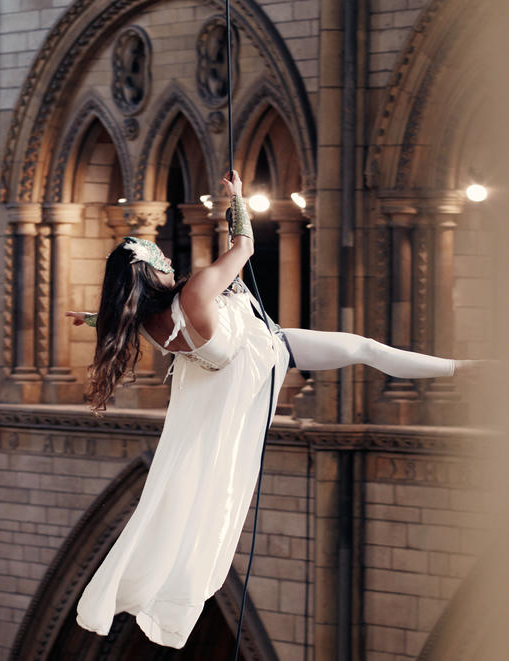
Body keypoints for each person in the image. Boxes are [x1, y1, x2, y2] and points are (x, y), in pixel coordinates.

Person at [66, 170, 477, 648]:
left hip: (261, 355)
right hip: (272, 352)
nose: (169, 266)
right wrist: (237, 201)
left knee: (365, 350)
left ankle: (460, 369)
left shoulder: (151, 322)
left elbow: (122, 317)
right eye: (161, 262)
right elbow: (243, 249)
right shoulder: (195, 292)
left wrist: (95, 318)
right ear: (151, 270)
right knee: (366, 348)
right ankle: (460, 368)